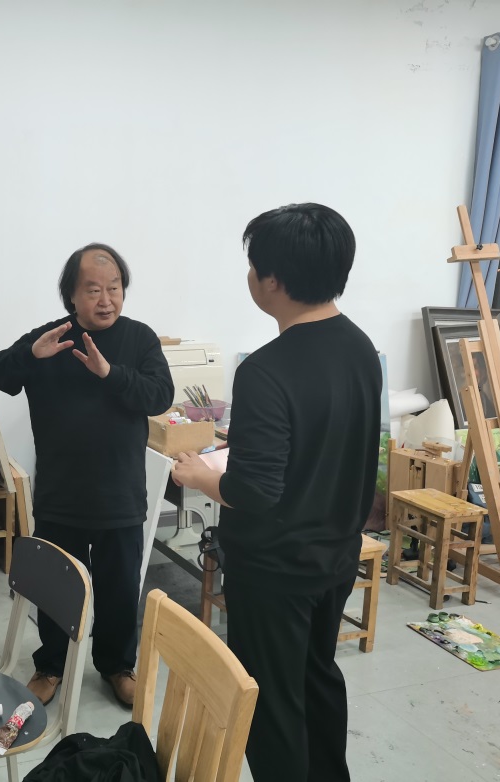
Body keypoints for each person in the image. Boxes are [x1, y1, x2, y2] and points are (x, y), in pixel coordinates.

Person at [171, 203, 381, 782]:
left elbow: (254, 490)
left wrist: (198, 476)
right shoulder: (361, 348)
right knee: (317, 676)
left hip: (275, 568)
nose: (250, 276)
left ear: (273, 281)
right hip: (335, 554)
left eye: (253, 265)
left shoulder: (265, 369)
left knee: (271, 703)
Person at [0, 243, 174, 708]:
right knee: (55, 587)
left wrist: (111, 374)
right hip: (61, 495)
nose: (106, 300)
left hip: (120, 496)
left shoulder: (140, 339)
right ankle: (50, 666)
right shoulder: (51, 338)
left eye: (114, 288)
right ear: (71, 295)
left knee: (120, 590)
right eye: (93, 290)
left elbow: (160, 395)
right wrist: (30, 355)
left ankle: (117, 666)